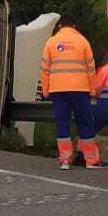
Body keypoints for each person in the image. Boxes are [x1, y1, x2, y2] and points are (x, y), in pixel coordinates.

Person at [40, 15, 101, 169]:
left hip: (58, 90)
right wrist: (92, 89)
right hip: (80, 89)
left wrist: (46, 90)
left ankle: (65, 160)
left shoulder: (51, 42)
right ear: (74, 26)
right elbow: (90, 69)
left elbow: (45, 70)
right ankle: (91, 161)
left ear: (60, 26)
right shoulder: (83, 41)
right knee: (85, 122)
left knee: (62, 123)